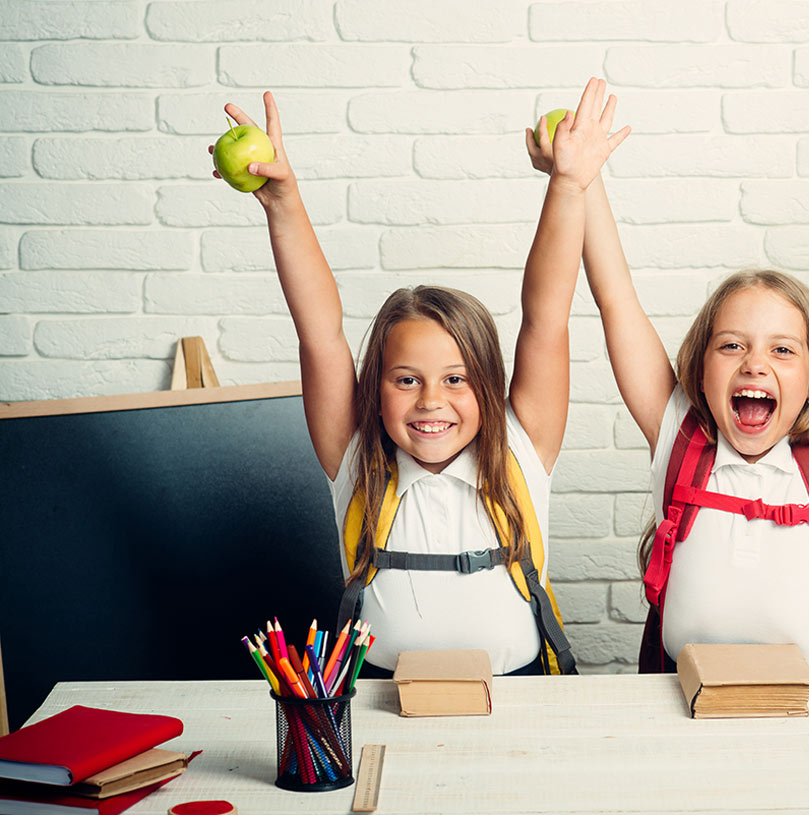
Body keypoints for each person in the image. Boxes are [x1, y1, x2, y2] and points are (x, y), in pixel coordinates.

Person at [213, 78, 629, 676]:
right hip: (384, 704)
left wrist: (567, 185)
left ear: (489, 388)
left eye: (457, 380)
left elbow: (546, 318)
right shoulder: (355, 459)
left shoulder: (522, 446)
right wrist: (284, 203)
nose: (432, 400)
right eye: (406, 380)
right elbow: (320, 334)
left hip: (522, 699)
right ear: (373, 391)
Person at [528, 111, 809, 673]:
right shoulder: (678, 434)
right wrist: (580, 178)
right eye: (732, 346)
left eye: (782, 350)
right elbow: (615, 297)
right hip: (678, 708)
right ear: (700, 368)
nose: (755, 364)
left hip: (807, 718)